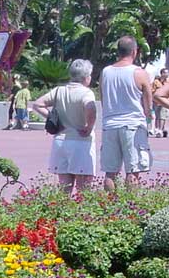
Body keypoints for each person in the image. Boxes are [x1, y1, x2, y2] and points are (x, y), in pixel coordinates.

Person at [31, 59, 97, 198]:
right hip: (81, 142)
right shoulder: (86, 93)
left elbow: (37, 104)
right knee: (83, 188)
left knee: (64, 188)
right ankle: (83, 218)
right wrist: (89, 127)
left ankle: (62, 216)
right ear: (86, 77)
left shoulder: (59, 90)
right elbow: (90, 107)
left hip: (60, 142)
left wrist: (53, 118)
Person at [100, 35, 152, 191]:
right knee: (133, 170)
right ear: (135, 52)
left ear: (118, 51)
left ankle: (109, 205)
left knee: (110, 172)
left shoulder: (106, 72)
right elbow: (148, 102)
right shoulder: (139, 72)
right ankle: (131, 206)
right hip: (133, 125)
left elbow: (103, 99)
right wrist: (148, 118)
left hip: (110, 125)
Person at [151, 68, 169, 137]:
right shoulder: (156, 82)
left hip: (165, 101)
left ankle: (160, 130)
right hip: (156, 101)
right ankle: (157, 129)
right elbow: (152, 90)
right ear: (162, 74)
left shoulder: (167, 83)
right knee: (157, 116)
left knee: (163, 116)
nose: (168, 74)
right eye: (166, 73)